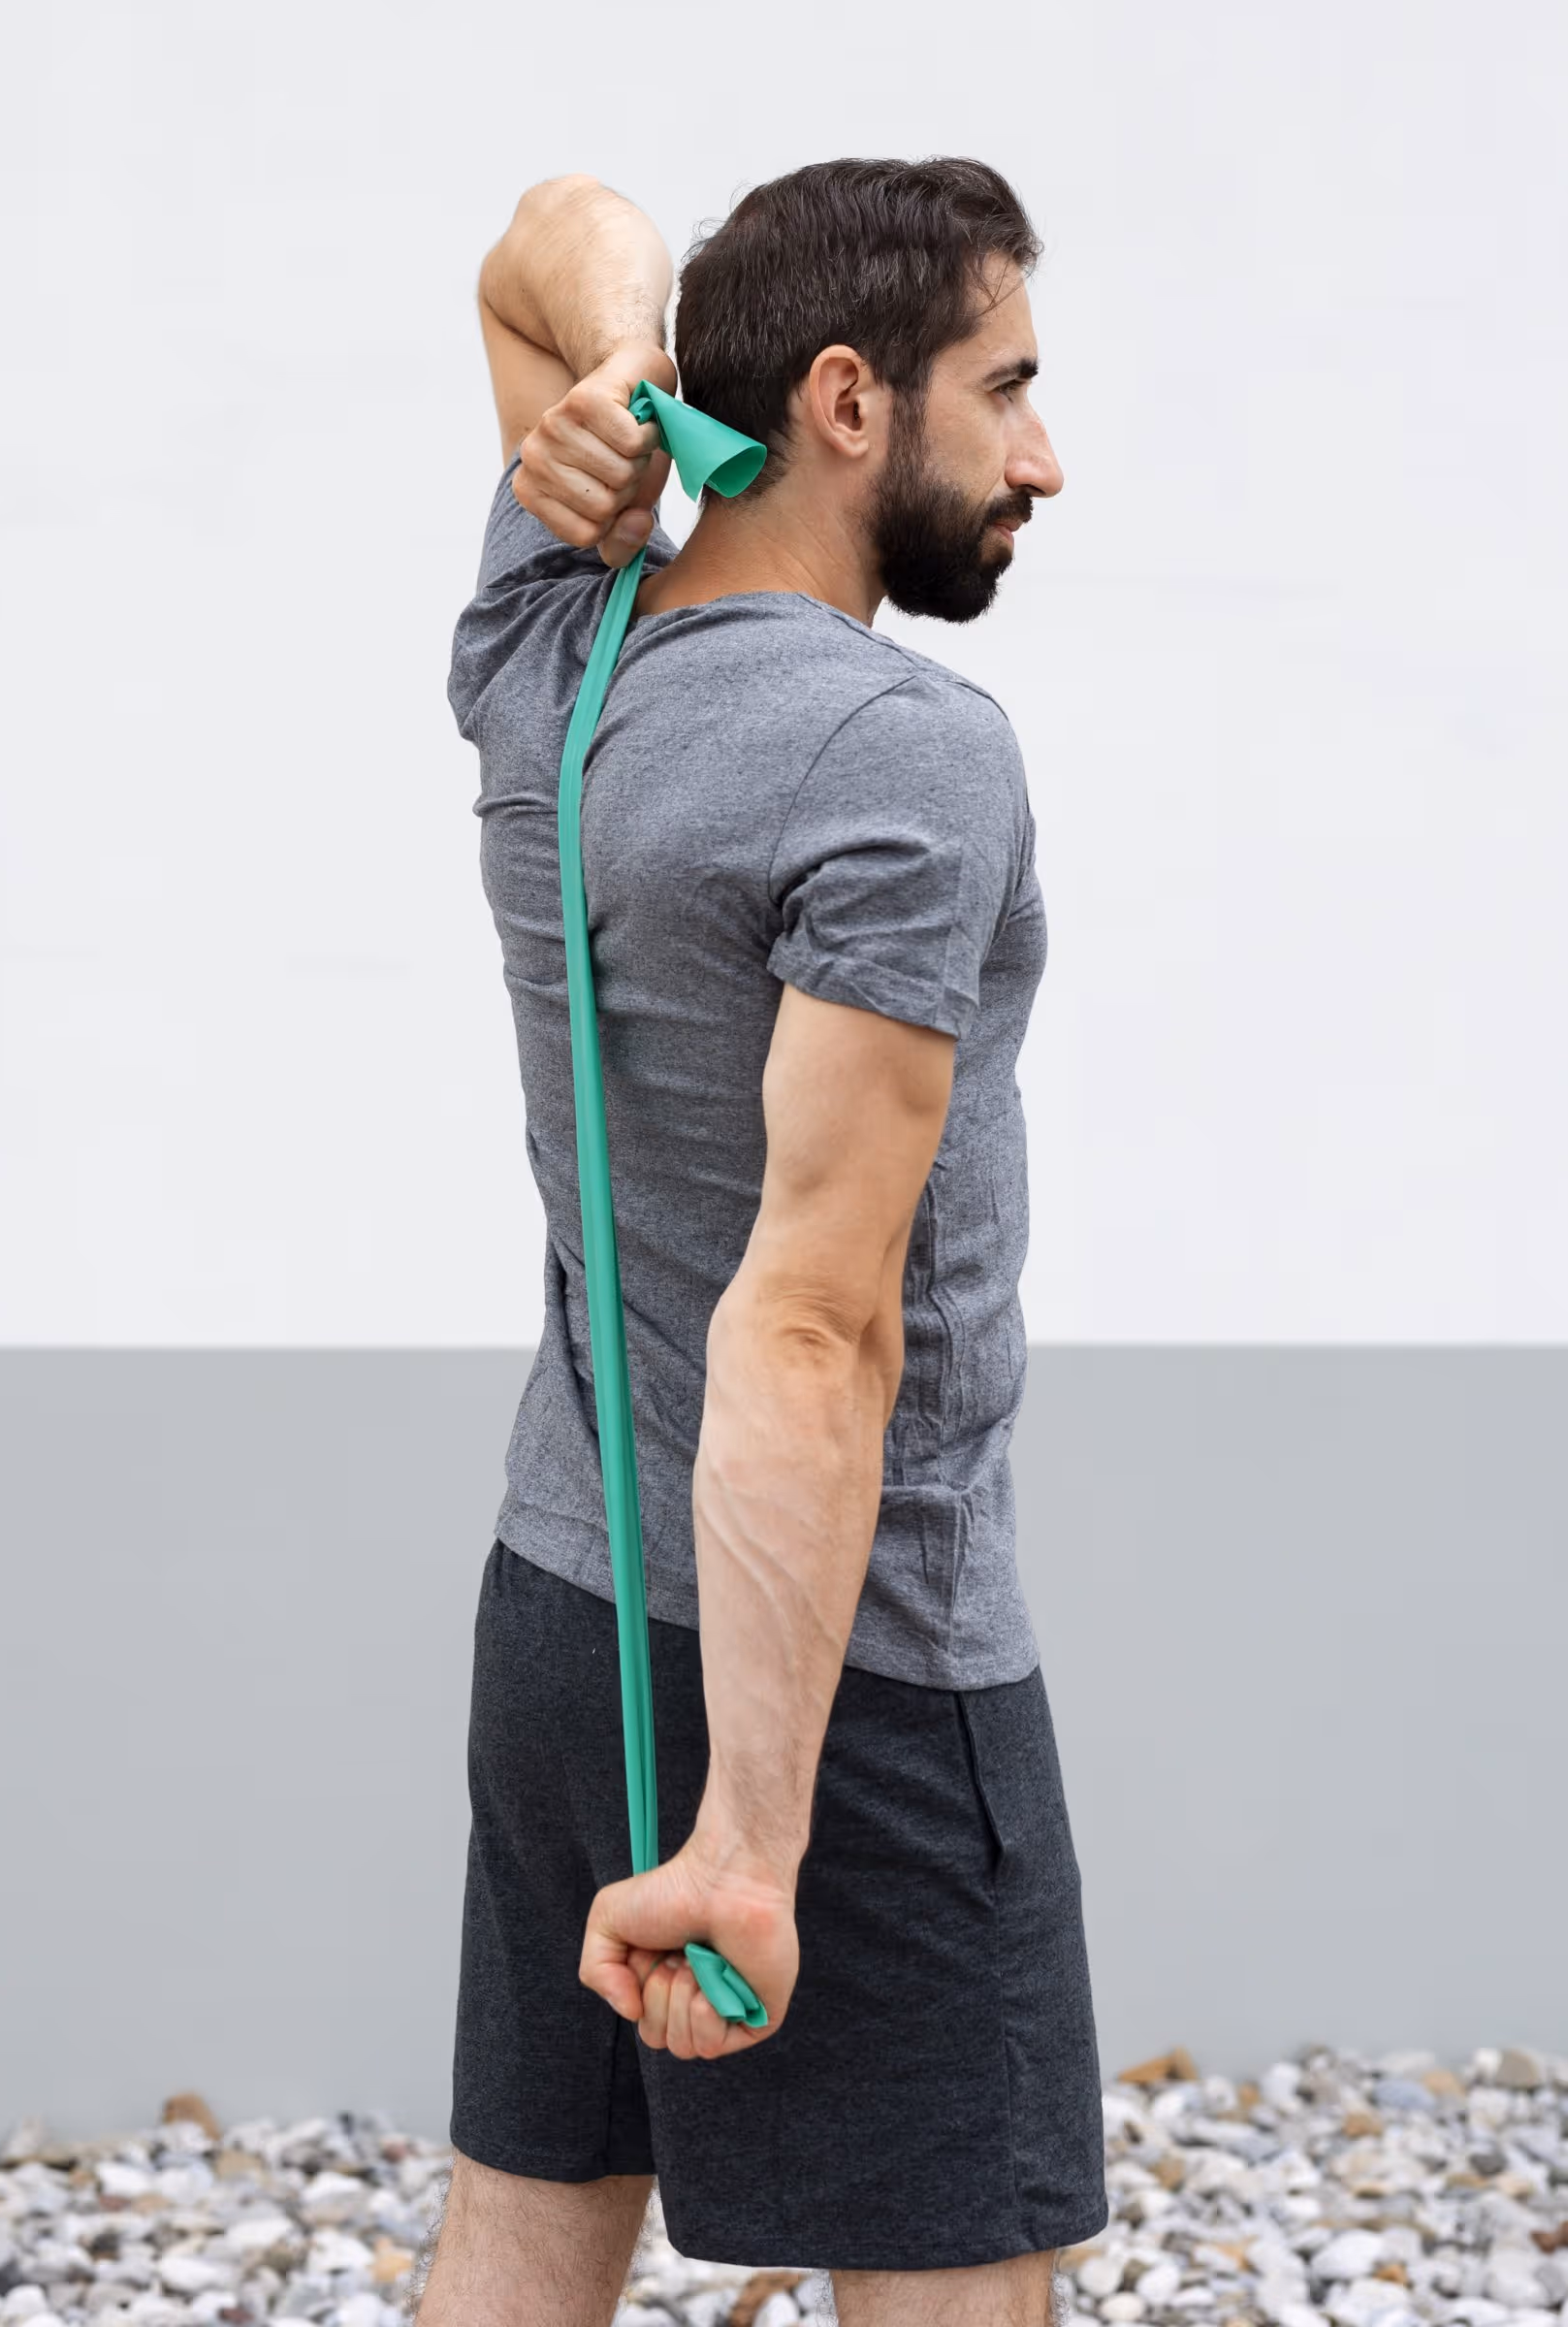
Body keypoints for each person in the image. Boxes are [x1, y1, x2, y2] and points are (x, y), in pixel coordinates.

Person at [420, 161, 1106, 2327]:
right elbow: (813, 1325)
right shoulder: (896, 752)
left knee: (527, 2229)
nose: (1041, 457)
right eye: (1001, 390)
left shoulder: (554, 643)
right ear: (839, 400)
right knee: (958, 2270)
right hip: (853, 1663)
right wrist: (751, 1826)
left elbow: (542, 241)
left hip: (567, 1602)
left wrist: (608, 375)